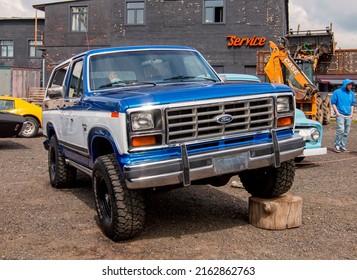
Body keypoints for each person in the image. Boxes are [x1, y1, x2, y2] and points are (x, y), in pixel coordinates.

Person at [331, 79, 355, 152]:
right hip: (340, 114)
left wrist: (351, 114)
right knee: (341, 129)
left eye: (351, 85)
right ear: (345, 85)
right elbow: (333, 103)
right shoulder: (337, 92)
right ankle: (337, 145)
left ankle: (342, 145)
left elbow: (352, 104)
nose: (351, 86)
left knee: (346, 131)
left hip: (348, 115)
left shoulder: (351, 94)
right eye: (350, 85)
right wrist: (337, 112)